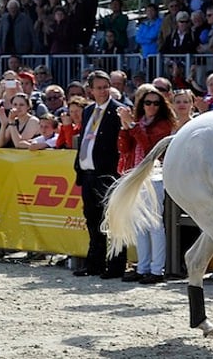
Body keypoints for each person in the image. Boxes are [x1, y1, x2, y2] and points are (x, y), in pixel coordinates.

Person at [117, 86, 175, 284]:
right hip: (137, 175)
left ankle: (157, 269)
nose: (151, 106)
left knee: (154, 223)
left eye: (156, 103)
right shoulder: (140, 122)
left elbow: (151, 148)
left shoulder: (164, 124)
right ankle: (143, 267)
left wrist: (131, 126)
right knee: (140, 225)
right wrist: (126, 128)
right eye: (147, 102)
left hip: (155, 175)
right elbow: (124, 147)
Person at [73, 70, 127, 279]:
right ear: (91, 90)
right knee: (93, 220)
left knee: (112, 221)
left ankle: (116, 266)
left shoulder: (118, 111)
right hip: (88, 174)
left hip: (108, 174)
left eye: (106, 87)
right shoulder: (88, 111)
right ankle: (94, 263)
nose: (104, 91)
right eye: (99, 88)